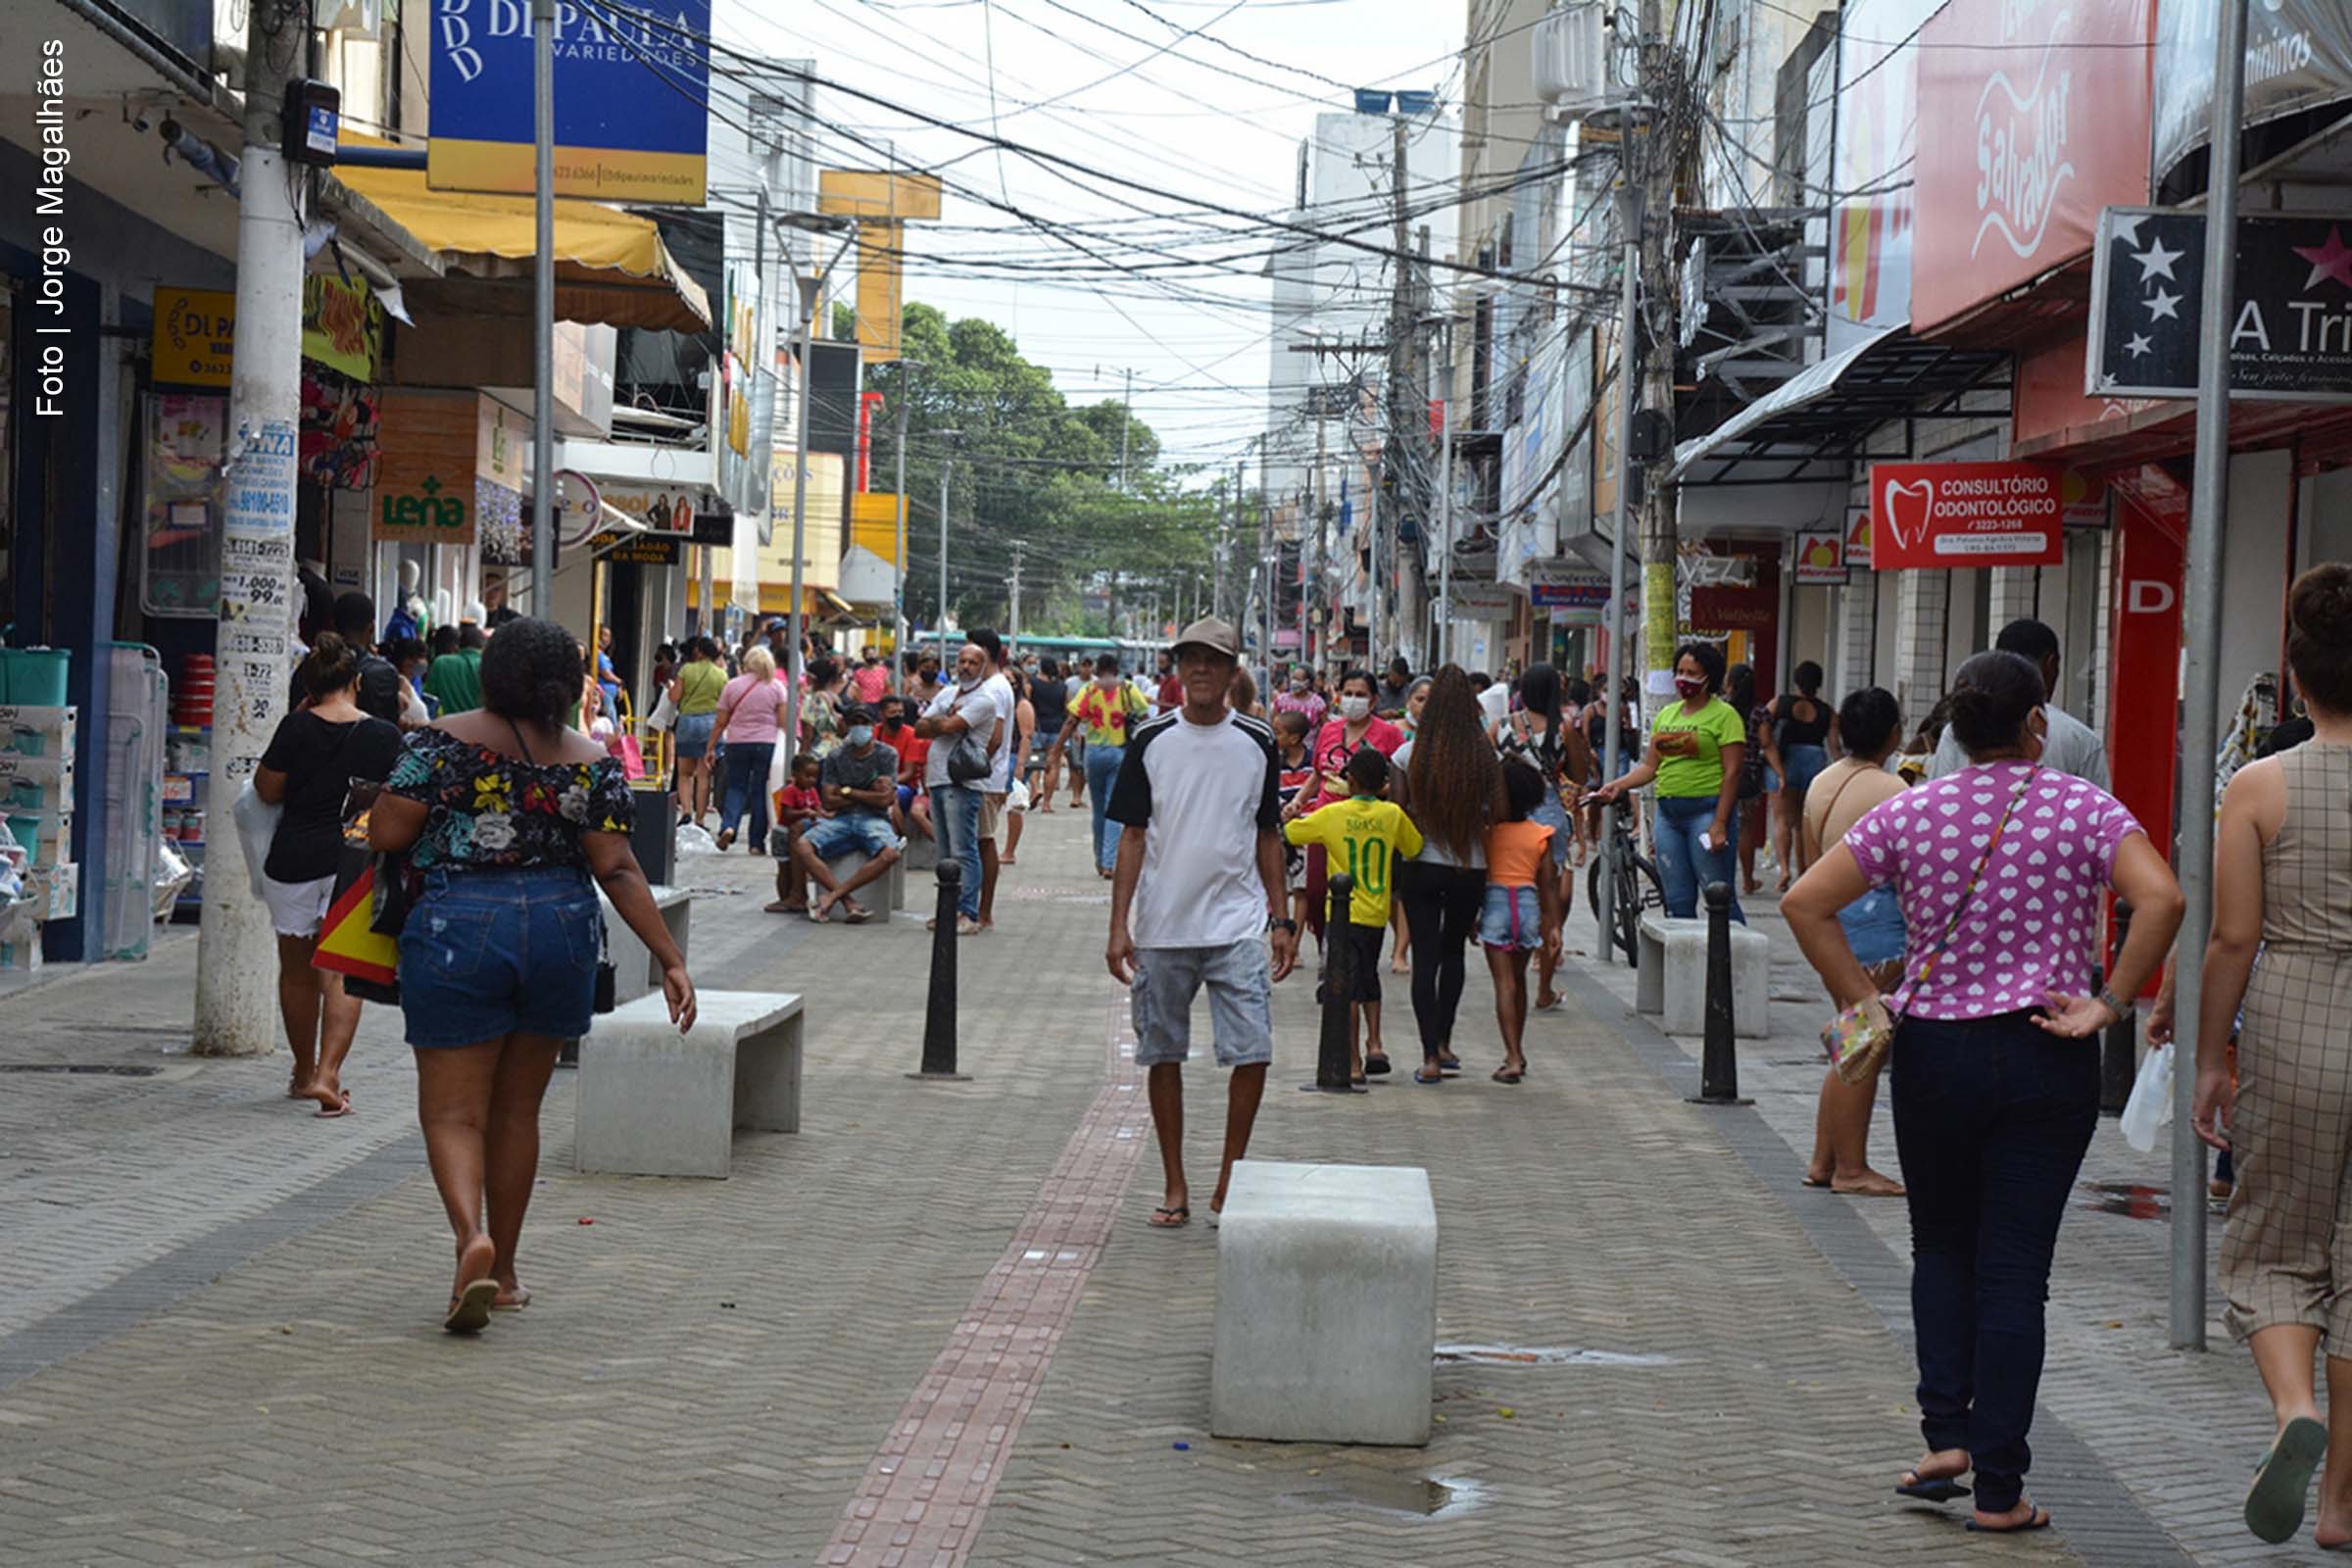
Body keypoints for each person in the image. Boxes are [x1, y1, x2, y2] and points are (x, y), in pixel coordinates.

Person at [1780, 648, 2181, 1537]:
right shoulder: (2085, 805)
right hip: (2049, 1055)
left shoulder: (1915, 809)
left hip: (1935, 1057)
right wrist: (2109, 1004)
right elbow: (2163, 899)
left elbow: (1806, 902)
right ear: (2038, 722)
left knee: (1941, 1248)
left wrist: (1865, 1001)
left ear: (1955, 728)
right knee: (2015, 1273)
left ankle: (1944, 1437)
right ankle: (2001, 1488)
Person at [371, 616, 696, 1333]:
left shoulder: (440, 741)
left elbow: (389, 832)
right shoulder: (592, 759)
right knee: (518, 1112)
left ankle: (470, 1240)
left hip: (461, 923)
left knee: (456, 1112)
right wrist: (670, 959)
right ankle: (509, 1273)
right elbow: (616, 865)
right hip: (562, 928)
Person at [2189, 564, 2352, 1547]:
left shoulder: (2260, 784)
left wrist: (2213, 1054)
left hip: (2296, 1008)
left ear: (2293, 678)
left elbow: (2231, 938)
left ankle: (2297, 1410)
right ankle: (2342, 1505)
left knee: (2275, 1244)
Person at [1104, 616, 1298, 1227]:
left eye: (1213, 660)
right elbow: (1132, 837)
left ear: (1233, 670)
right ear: (1177, 669)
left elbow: (1269, 835)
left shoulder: (1258, 742)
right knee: (1163, 1053)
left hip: (1238, 923)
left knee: (1254, 1051)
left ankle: (1229, 1178)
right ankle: (1175, 1183)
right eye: (1190, 660)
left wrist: (1281, 918)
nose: (1201, 671)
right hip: (1164, 926)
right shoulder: (1151, 738)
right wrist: (1119, 925)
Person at [254, 633, 404, 1117]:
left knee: (296, 971)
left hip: (293, 858)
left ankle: (300, 1072)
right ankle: (328, 1074)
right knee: (339, 971)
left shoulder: (294, 728)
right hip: (353, 861)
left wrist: (300, 718)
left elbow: (268, 791)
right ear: (357, 682)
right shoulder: (383, 735)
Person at [1797, 686, 1911, 1199]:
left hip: (1828, 923)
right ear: (1893, 734)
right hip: (1877, 931)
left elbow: (1807, 868)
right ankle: (1851, 1167)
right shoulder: (1894, 792)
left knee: (1852, 1040)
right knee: (1864, 1044)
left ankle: (1825, 1160)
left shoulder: (1821, 782)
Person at [1392, 666, 1501, 1086]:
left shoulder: (1408, 754)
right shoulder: (1482, 756)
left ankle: (1428, 1057)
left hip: (1421, 862)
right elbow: (1500, 811)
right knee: (1454, 953)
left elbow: (1399, 811)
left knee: (1425, 957)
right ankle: (1444, 1042)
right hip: (1467, 866)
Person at [1286, 748, 1422, 1084]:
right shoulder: (1392, 815)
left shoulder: (1333, 814)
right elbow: (1414, 847)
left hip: (1342, 914)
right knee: (1369, 979)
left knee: (1344, 986)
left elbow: (1291, 834)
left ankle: (1354, 1061)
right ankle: (1375, 1043)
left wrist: (1291, 811)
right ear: (1383, 785)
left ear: (1350, 780)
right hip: (1376, 913)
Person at [1589, 642, 1747, 923]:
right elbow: (1651, 766)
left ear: (1709, 677)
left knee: (1718, 896)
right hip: (1669, 816)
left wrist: (1720, 822)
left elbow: (1733, 772)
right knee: (1676, 900)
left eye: (1692, 673)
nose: (1683, 679)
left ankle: (1729, 963)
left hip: (1708, 812)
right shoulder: (1667, 715)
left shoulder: (1725, 715)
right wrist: (1618, 785)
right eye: (1680, 671)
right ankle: (1684, 966)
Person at [1492, 662, 1590, 1009]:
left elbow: (1488, 771)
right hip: (1548, 813)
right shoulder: (1563, 728)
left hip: (1509, 813)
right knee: (1549, 897)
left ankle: (1507, 970)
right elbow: (1579, 775)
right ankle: (1544, 987)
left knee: (1509, 886)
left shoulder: (1501, 726)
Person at [1929, 619, 2108, 789]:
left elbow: (1936, 800)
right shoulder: (2080, 739)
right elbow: (2100, 813)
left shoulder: (1957, 730)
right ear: (2051, 663)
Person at [915, 639, 1008, 935]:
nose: (966, 667)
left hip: (963, 783)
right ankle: (947, 910)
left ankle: (967, 912)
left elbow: (944, 728)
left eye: (973, 662)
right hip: (938, 778)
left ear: (983, 667)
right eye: (962, 661)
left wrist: (942, 720)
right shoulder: (946, 693)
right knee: (944, 852)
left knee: (964, 850)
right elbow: (920, 728)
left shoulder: (984, 700)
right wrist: (944, 719)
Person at [1482, 760, 1564, 1085]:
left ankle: (1512, 1055)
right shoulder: (1542, 834)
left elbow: (1482, 876)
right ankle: (1519, 1050)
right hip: (1528, 906)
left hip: (1496, 903)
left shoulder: (1488, 834)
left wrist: (1476, 918)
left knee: (1504, 985)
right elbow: (1549, 886)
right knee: (1519, 982)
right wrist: (1554, 926)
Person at [792, 703, 906, 925]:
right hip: (841, 819)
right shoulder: (835, 756)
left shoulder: (886, 754)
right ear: (847, 726)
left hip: (874, 819)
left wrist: (847, 791)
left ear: (873, 726)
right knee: (803, 846)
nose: (860, 728)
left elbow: (885, 799)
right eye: (855, 723)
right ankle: (848, 902)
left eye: (865, 723)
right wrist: (868, 792)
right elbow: (828, 800)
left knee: (891, 853)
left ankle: (832, 896)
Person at [1059, 654, 1148, 878]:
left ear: (1098, 668)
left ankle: (1100, 859)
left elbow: (1072, 719)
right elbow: (1145, 717)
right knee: (1113, 808)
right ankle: (1109, 863)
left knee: (1099, 809)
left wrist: (1056, 749)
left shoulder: (1089, 689)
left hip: (1094, 753)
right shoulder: (1128, 688)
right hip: (1120, 752)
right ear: (1117, 668)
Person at [711, 646, 789, 854]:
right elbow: (783, 722)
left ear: (747, 663)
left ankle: (729, 825)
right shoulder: (777, 687)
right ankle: (756, 843)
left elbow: (720, 721)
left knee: (736, 786)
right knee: (760, 791)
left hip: (736, 743)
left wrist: (710, 747)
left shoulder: (732, 685)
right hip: (766, 743)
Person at [1769, 661, 1837, 891]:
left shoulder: (1781, 703)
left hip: (1786, 760)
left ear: (1796, 680)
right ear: (1819, 683)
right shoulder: (1827, 711)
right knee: (1802, 823)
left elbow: (1761, 726)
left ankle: (1785, 868)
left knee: (1782, 819)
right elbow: (1835, 746)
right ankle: (1804, 872)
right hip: (1814, 759)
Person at [969, 631, 1017, 930]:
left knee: (983, 842)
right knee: (977, 843)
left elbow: (995, 737)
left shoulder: (995, 688)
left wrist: (973, 766)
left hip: (985, 779)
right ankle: (975, 909)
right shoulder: (991, 685)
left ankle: (982, 912)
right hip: (987, 777)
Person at [1270, 709, 1318, 947]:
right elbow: (1269, 793)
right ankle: (1282, 934)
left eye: (1278, 732)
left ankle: (1294, 943)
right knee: (1282, 890)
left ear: (1294, 738)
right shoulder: (1274, 763)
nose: (1273, 736)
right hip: (1283, 837)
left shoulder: (1313, 764)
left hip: (1307, 835)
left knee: (1302, 892)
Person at [669, 637, 726, 830]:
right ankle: (700, 819)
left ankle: (686, 812)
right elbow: (724, 704)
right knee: (704, 775)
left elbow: (674, 697)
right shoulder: (721, 675)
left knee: (685, 773)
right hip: (711, 724)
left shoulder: (686, 670)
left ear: (699, 652)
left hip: (687, 722)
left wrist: (671, 689)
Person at [766, 753, 825, 914]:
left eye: (815, 776)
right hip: (783, 833)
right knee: (784, 868)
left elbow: (818, 807)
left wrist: (823, 814)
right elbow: (786, 813)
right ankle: (784, 897)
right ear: (795, 774)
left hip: (800, 832)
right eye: (807, 776)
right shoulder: (790, 791)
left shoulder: (812, 791)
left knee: (796, 866)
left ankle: (796, 897)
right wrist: (804, 813)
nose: (811, 780)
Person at [996, 667, 1036, 878]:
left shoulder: (1022, 705)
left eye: (1011, 681)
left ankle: (1009, 851)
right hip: (999, 758)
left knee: (1013, 806)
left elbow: (1026, 736)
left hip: (1012, 758)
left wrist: (1020, 765)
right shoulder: (1002, 703)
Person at [1026, 658, 1068, 812]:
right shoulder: (1062, 687)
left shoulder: (1033, 683)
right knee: (1053, 765)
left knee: (1035, 762)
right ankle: (1047, 804)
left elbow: (1027, 702)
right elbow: (1067, 709)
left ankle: (1035, 789)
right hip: (1056, 730)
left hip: (1037, 728)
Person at [422, 622, 486, 717]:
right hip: (481, 728)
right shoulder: (488, 666)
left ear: (458, 645)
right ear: (483, 646)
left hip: (448, 727)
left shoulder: (441, 663)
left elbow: (428, 696)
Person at [1272, 662, 1327, 731]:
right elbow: (1274, 725)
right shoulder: (1281, 700)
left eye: (1298, 680)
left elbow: (1325, 729)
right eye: (1293, 679)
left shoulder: (1317, 703)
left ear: (1308, 683)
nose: (1294, 682)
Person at [1152, 648, 1183, 717]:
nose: (1159, 665)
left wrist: (1155, 702)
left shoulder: (1175, 682)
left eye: (1162, 662)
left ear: (1170, 663)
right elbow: (1161, 702)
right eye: (1159, 662)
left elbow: (1179, 706)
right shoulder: (1163, 681)